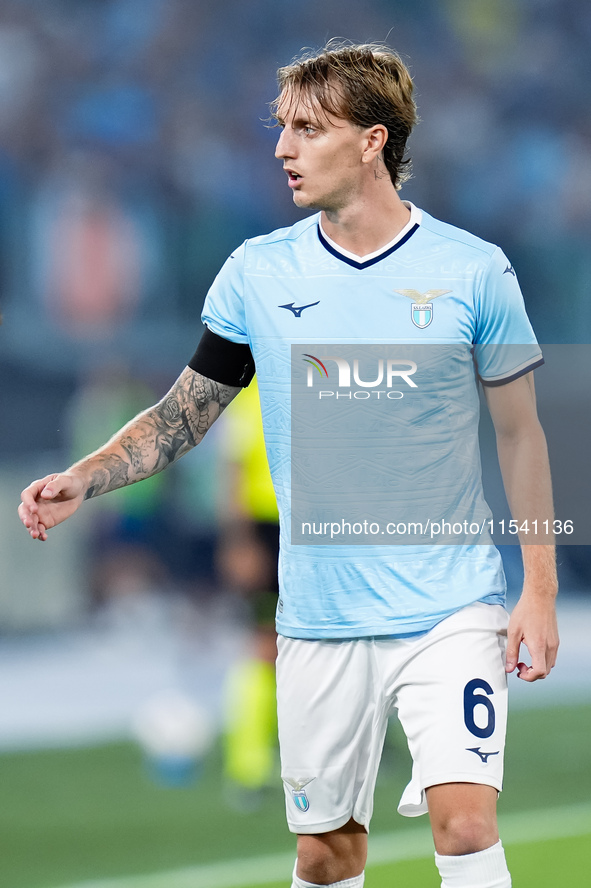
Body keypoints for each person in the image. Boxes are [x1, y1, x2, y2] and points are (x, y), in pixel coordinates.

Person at [19, 41, 558, 888]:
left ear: (373, 140)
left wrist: (537, 587)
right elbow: (183, 414)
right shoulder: (258, 273)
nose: (281, 149)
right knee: (326, 854)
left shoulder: (471, 270)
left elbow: (522, 435)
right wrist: (87, 475)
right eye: (280, 129)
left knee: (462, 825)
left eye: (307, 129)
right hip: (316, 615)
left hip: (449, 605)